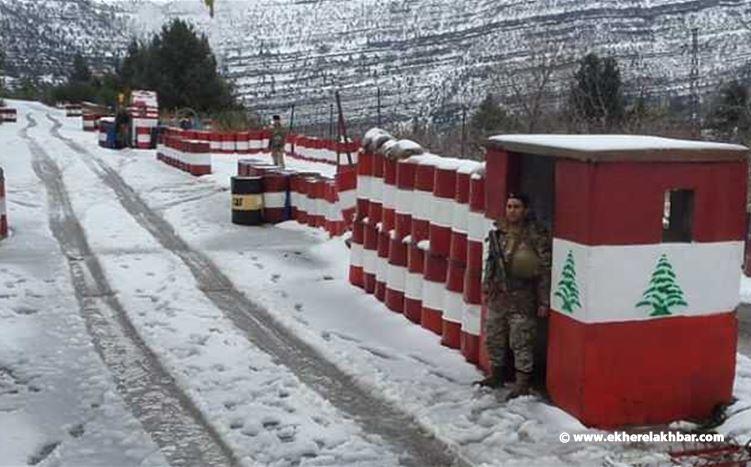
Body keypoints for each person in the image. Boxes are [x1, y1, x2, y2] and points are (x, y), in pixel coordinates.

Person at [476, 193, 552, 400]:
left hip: (523, 295)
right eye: (509, 206)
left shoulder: (536, 235)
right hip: (499, 295)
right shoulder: (499, 232)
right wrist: (487, 284)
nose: (512, 210)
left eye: (516, 207)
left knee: (521, 340)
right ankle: (497, 375)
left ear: (525, 210)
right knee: (494, 335)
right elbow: (491, 261)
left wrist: (544, 300)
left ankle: (522, 383)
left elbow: (545, 269)